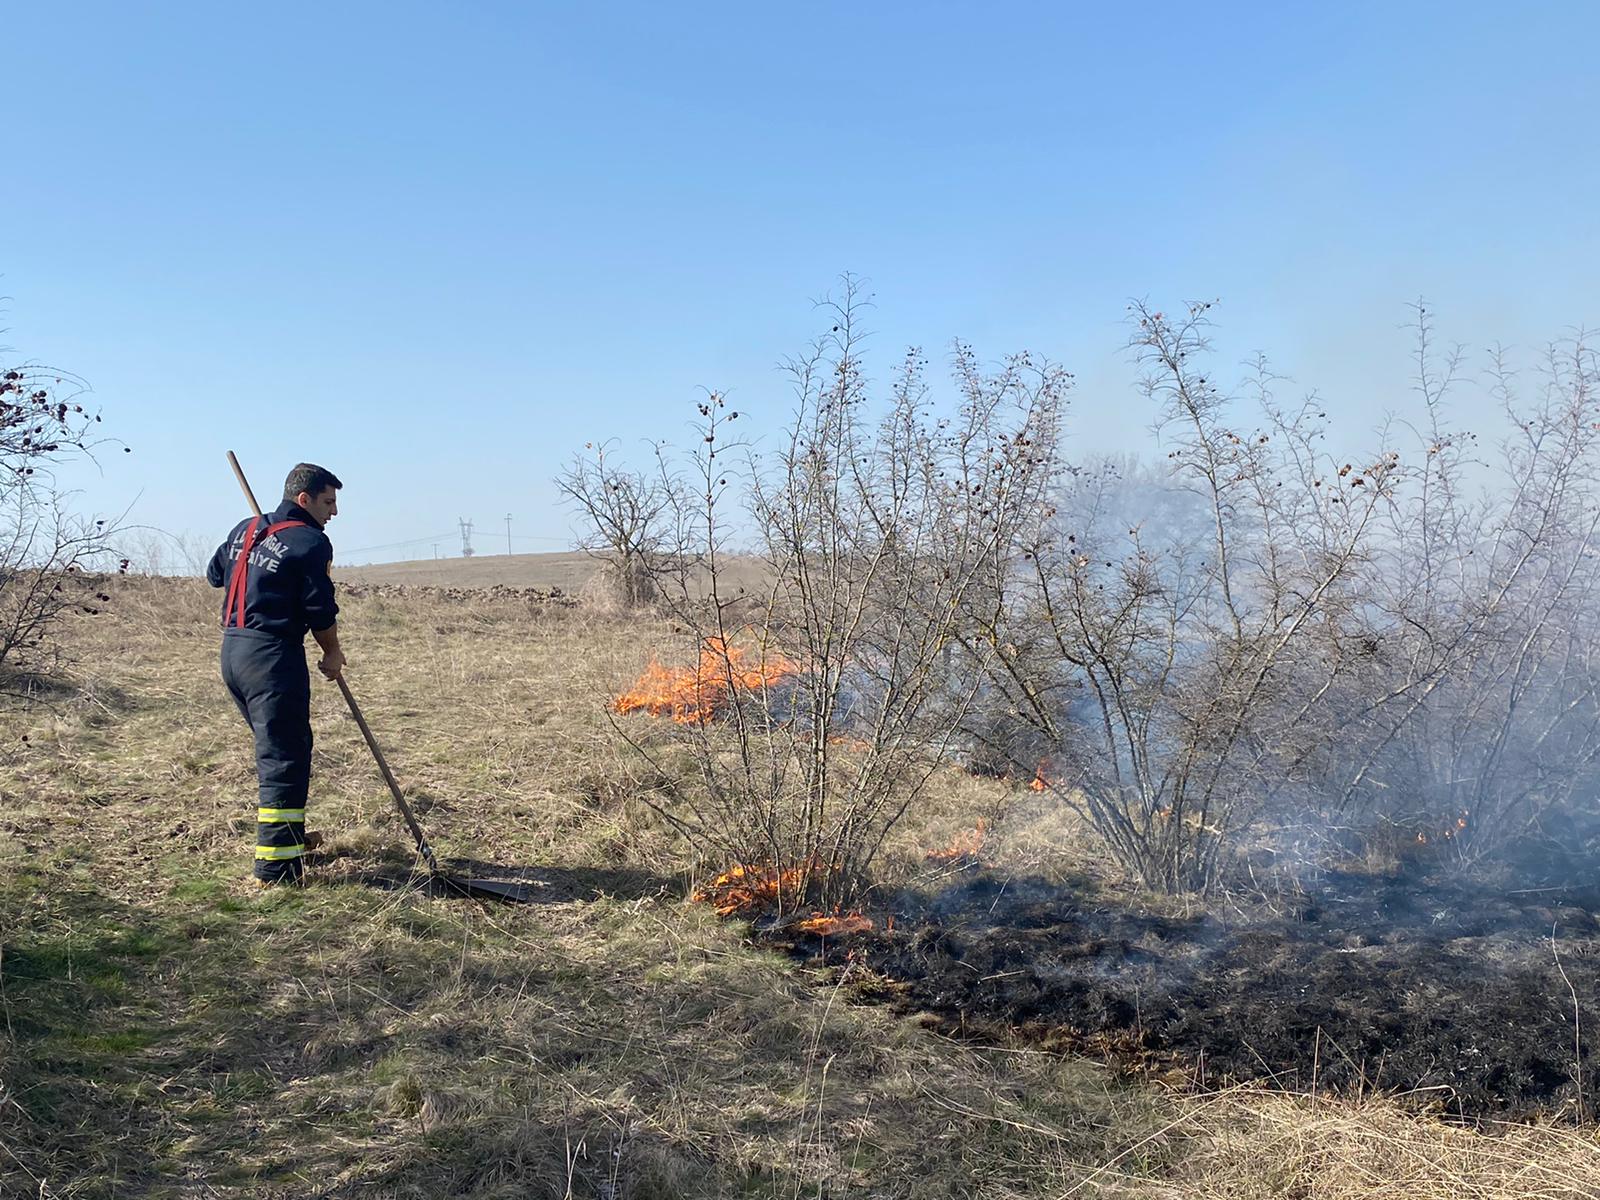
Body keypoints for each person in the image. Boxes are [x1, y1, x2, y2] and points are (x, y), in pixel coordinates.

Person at [206, 463, 347, 885]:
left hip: (233, 652)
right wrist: (333, 652)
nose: (334, 512)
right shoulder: (310, 542)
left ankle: (289, 837)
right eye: (328, 502)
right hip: (271, 657)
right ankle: (276, 867)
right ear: (303, 500)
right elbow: (319, 607)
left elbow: (215, 575)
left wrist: (256, 554)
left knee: (285, 746)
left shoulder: (245, 529)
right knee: (283, 757)